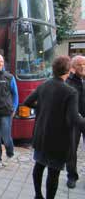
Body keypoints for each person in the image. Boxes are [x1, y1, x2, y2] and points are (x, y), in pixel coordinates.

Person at [23, 56, 85, 199]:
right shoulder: (70, 92)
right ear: (69, 70)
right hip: (58, 139)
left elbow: (27, 102)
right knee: (53, 173)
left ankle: (38, 195)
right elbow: (74, 118)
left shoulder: (44, 85)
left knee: (38, 166)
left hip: (41, 135)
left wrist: (42, 107)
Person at [65, 55, 85, 189]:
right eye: (79, 65)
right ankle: (72, 176)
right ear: (73, 67)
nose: (83, 67)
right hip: (75, 120)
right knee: (71, 150)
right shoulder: (68, 82)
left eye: (84, 64)